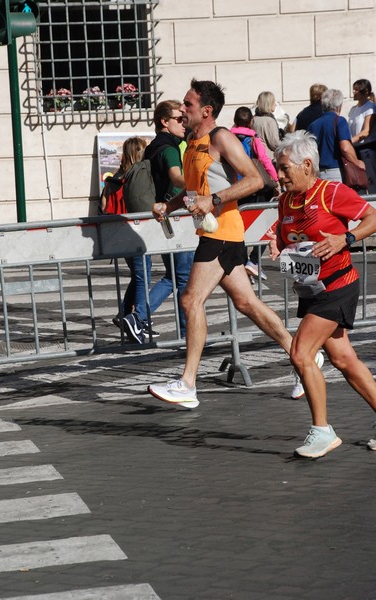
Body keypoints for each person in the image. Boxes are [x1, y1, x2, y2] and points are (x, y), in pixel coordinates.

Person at [147, 78, 317, 409]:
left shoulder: (220, 137)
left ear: (206, 111)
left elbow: (256, 179)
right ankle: (304, 358)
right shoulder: (192, 143)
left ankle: (187, 384)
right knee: (247, 304)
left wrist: (216, 200)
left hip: (222, 233)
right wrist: (169, 205)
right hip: (214, 231)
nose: (183, 109)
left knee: (190, 300)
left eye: (188, 104)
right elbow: (195, 190)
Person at [270, 130, 376, 458]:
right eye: (278, 167)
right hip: (313, 289)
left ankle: (322, 431)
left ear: (306, 165)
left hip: (339, 286)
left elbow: (373, 217)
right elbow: (290, 233)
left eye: (285, 167)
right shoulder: (286, 199)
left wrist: (345, 238)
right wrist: (279, 243)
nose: (280, 174)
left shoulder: (331, 192)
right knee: (344, 359)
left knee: (301, 353)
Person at [122, 100, 193, 343]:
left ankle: (138, 316)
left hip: (164, 218)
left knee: (176, 275)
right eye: (179, 119)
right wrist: (200, 187)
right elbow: (176, 176)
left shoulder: (153, 147)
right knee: (183, 277)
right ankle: (186, 335)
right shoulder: (169, 148)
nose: (184, 124)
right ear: (164, 121)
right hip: (174, 219)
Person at [111, 136, 155, 337]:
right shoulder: (138, 177)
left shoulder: (116, 178)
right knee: (142, 276)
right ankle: (138, 320)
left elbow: (104, 206)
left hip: (117, 232)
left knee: (138, 276)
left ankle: (124, 314)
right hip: (135, 231)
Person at [230, 106, 280, 281]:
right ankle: (254, 261)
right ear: (251, 122)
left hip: (236, 188)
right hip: (255, 186)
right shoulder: (253, 139)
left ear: (235, 121)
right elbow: (265, 160)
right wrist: (276, 180)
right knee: (264, 225)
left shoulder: (228, 138)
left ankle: (244, 265)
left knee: (240, 228)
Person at [308, 89, 365, 183]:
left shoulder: (313, 125)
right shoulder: (340, 121)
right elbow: (345, 148)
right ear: (339, 106)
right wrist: (357, 162)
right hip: (336, 171)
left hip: (318, 173)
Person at [252, 91, 283, 160]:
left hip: (256, 158)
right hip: (268, 159)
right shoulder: (269, 121)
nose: (275, 104)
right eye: (273, 101)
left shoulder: (254, 119)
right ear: (269, 103)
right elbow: (275, 143)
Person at [348, 79, 375, 144]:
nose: (353, 92)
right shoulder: (353, 109)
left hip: (366, 149)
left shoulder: (370, 108)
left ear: (366, 91)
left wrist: (350, 141)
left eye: (356, 90)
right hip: (354, 147)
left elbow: (366, 131)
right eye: (353, 89)